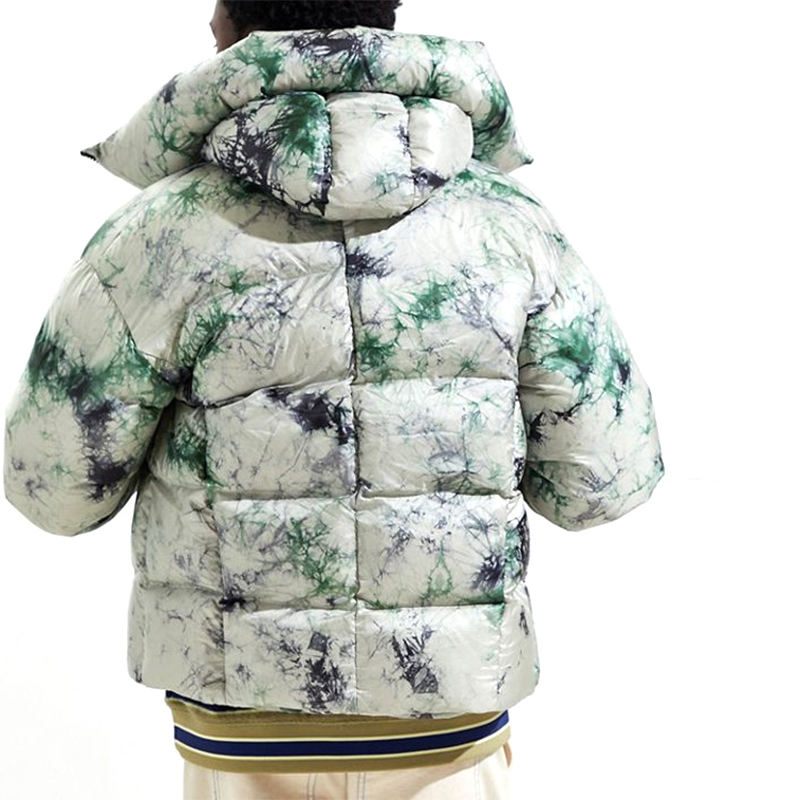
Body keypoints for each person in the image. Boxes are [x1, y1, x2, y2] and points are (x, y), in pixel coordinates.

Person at [2, 1, 666, 797]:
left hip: (242, 722)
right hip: (446, 722)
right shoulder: (511, 230)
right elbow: (601, 484)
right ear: (386, 17)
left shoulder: (156, 237)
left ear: (234, 28)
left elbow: (52, 489)